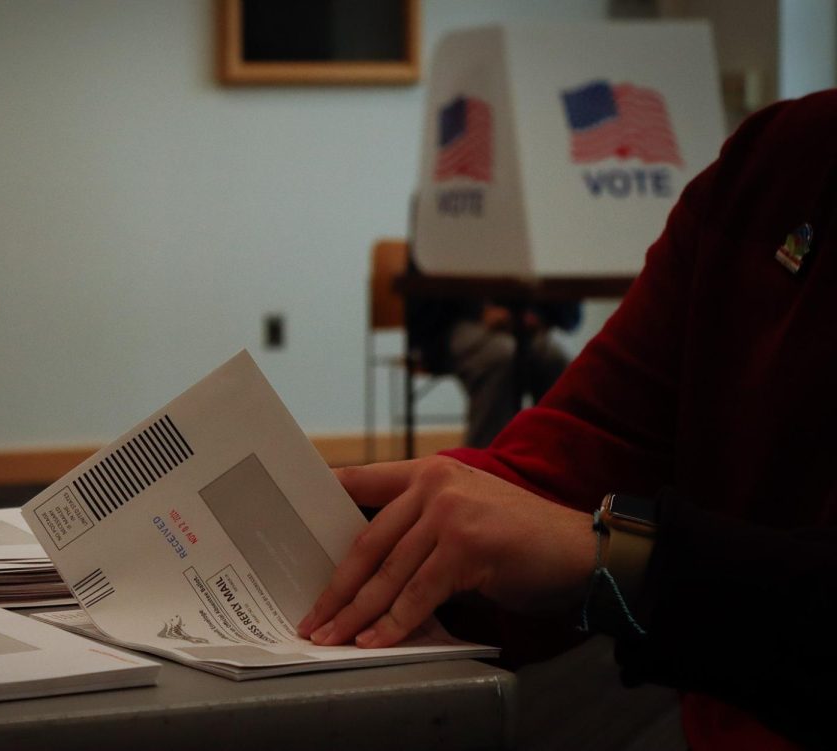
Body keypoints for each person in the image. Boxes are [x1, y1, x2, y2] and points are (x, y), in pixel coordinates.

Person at [300, 89, 837, 750]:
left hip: (726, 686)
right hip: (458, 337)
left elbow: (563, 331)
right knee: (497, 360)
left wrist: (598, 548)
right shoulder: (778, 158)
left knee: (540, 352)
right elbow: (589, 439)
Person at [405, 283, 582, 448]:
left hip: (524, 320)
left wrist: (535, 315)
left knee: (555, 357)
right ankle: (484, 465)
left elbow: (569, 312)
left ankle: (550, 460)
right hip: (453, 322)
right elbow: (424, 296)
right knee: (501, 356)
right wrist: (479, 311)